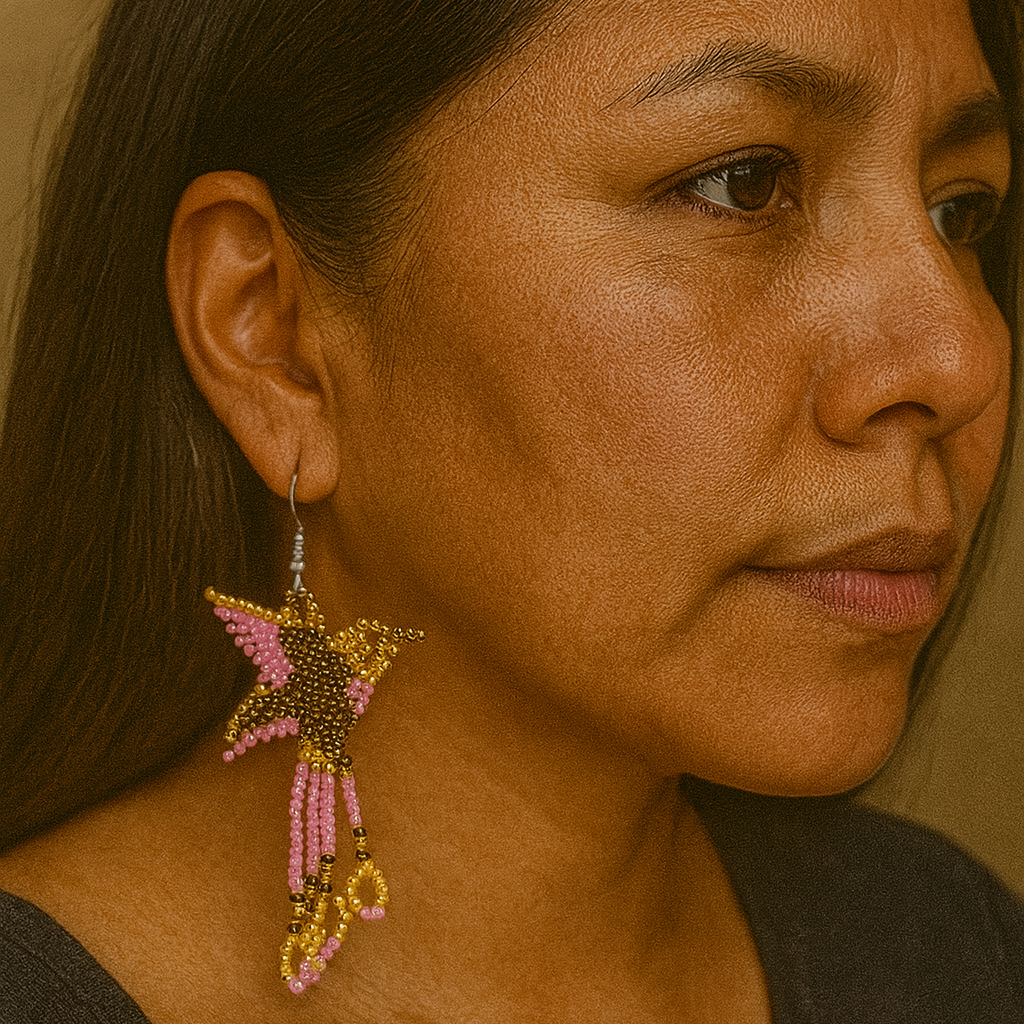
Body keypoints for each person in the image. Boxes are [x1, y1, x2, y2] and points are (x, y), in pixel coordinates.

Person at [0, 0, 1022, 1020]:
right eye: (741, 184)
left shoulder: (947, 954)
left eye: (961, 213)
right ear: (271, 335)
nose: (961, 358)